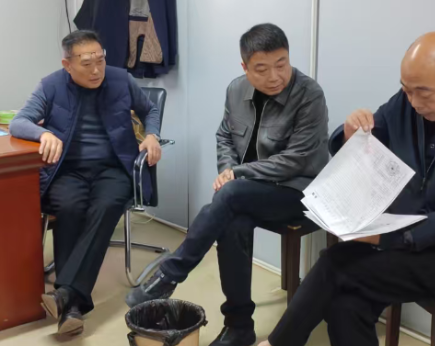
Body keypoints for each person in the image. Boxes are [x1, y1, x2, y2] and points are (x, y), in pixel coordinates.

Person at [258, 31, 435, 346]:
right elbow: (368, 142)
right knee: (346, 303)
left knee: (336, 264)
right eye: (406, 90)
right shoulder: (406, 104)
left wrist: (384, 236)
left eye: (424, 93)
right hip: (398, 239)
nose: (414, 102)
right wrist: (350, 135)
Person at [126, 23, 330, 346]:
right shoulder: (236, 90)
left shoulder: (309, 94)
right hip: (248, 193)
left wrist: (237, 173)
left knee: (231, 196)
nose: (275, 76)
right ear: (245, 68)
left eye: (282, 64)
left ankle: (170, 274)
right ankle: (239, 327)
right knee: (233, 217)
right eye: (262, 69)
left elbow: (298, 159)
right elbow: (224, 136)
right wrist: (226, 170)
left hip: (299, 192)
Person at [10, 30, 163, 336]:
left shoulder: (121, 80)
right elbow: (19, 122)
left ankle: (66, 297)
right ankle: (72, 303)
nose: (96, 70)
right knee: (69, 207)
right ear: (67, 65)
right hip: (68, 170)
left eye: (100, 60)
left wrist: (152, 134)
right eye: (86, 63)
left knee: (106, 205)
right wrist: (44, 133)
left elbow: (150, 109)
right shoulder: (51, 85)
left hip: (114, 167)